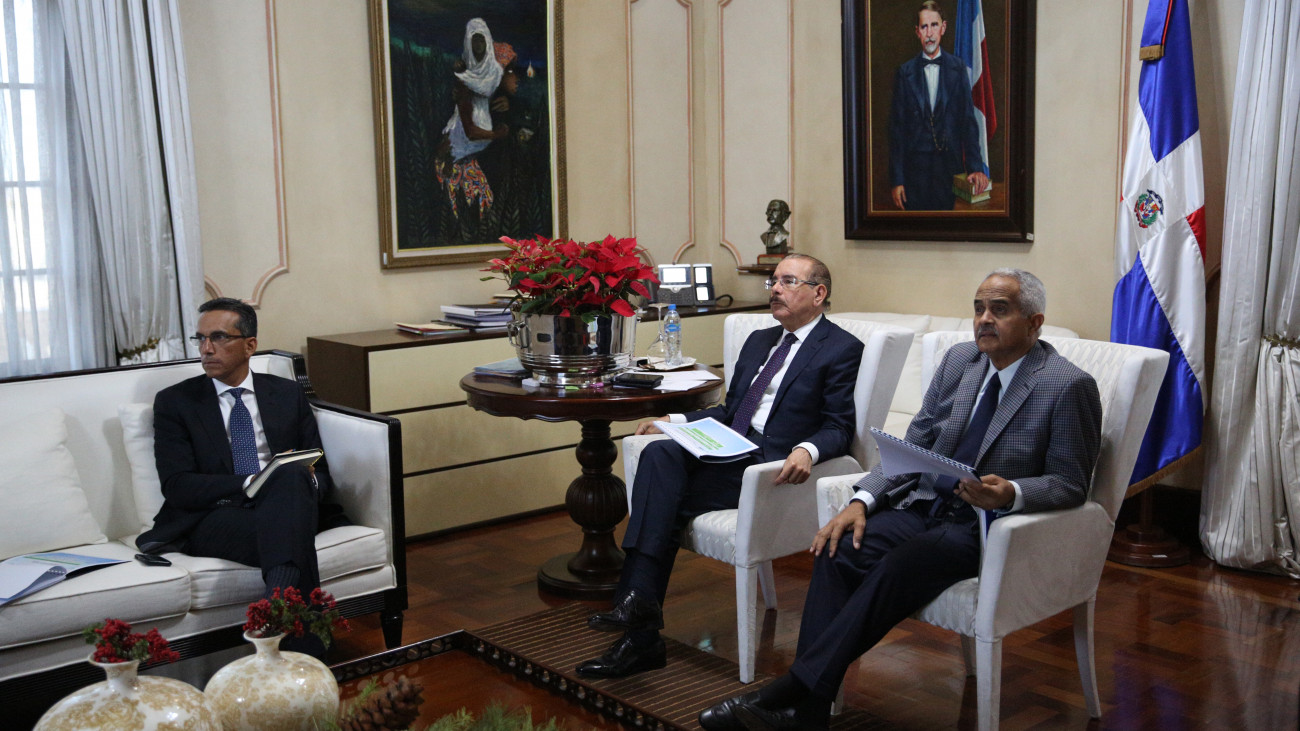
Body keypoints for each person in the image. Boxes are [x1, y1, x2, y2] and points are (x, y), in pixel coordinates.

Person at [700, 269, 1103, 730]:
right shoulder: (961, 361)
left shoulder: (1066, 385)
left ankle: (788, 692)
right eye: (978, 309)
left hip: (985, 526)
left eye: (1000, 310)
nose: (984, 320)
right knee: (837, 547)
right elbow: (912, 445)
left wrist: (1011, 492)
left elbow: (1071, 483)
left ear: (1034, 322)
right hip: (923, 504)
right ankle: (808, 712)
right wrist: (861, 503)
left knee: (897, 567)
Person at [575, 254, 865, 680]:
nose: (775, 289)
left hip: (769, 467)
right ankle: (639, 616)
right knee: (658, 453)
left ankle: (639, 630)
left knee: (661, 499)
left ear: (818, 293)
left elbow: (839, 426)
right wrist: (673, 421)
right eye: (773, 281)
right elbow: (731, 410)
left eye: (788, 281)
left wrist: (807, 449)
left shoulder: (841, 348)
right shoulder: (759, 341)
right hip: (730, 448)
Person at [137, 298, 348, 654]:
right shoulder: (176, 402)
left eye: (219, 337)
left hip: (287, 503)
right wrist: (252, 482)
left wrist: (297, 482)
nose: (206, 349)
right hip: (216, 516)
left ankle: (277, 612)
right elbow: (177, 485)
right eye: (200, 338)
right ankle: (301, 646)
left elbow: (320, 472)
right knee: (290, 520)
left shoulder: (287, 394)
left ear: (250, 345)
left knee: (292, 475)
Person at [888, 1, 990, 211]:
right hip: (914, 176)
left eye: (934, 25)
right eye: (924, 27)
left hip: (949, 173)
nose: (929, 33)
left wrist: (975, 167)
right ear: (917, 32)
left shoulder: (958, 69)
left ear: (943, 27)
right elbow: (897, 131)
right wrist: (897, 180)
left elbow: (968, 122)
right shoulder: (905, 73)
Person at [435, 18, 510, 225]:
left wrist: (507, 104)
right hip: (452, 161)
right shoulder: (464, 79)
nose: (478, 45)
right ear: (468, 43)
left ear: (488, 41)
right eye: (474, 40)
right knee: (464, 218)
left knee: (483, 211)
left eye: (481, 39)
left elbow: (496, 99)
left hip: (469, 159)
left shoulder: (494, 73)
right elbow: (470, 131)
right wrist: (496, 135)